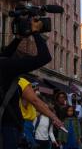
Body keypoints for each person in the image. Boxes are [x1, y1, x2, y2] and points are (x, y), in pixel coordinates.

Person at [0, 19, 52, 149]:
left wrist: (18, 38)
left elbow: (4, 56)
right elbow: (45, 57)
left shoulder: (4, 65)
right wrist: (35, 32)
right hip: (7, 126)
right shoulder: (7, 66)